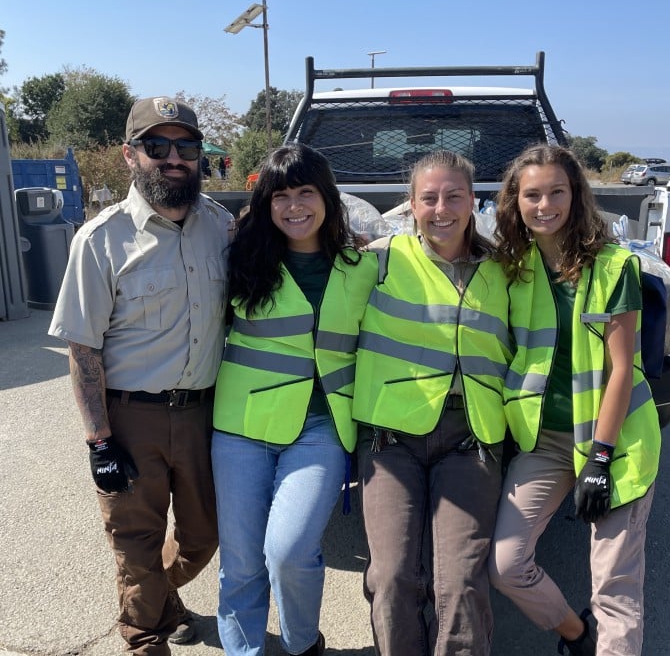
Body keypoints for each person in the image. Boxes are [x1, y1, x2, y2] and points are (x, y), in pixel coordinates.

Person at [49, 97, 234, 656]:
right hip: (131, 418)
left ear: (201, 156)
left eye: (187, 147)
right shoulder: (100, 240)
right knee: (136, 544)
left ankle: (156, 597)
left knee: (203, 537)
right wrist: (98, 441)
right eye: (158, 147)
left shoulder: (222, 227)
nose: (174, 158)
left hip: (205, 411)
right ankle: (143, 636)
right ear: (131, 155)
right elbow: (83, 352)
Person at [488, 144, 661, 656]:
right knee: (505, 565)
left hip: (616, 443)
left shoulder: (614, 267)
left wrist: (601, 460)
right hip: (546, 442)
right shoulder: (511, 266)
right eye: (532, 194)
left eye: (556, 192)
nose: (544, 205)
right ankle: (576, 635)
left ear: (576, 194)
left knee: (615, 590)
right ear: (514, 201)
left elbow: (622, 369)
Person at [211, 143, 378, 656]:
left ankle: (303, 644)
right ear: (266, 203)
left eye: (306, 192)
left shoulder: (364, 266)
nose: (294, 206)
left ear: (327, 197)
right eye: (280, 195)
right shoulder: (239, 258)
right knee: (240, 562)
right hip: (241, 428)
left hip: (322, 430)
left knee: (287, 551)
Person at [352, 149, 512, 656]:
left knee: (460, 583)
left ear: (473, 200)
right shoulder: (376, 258)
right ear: (411, 204)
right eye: (428, 198)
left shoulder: (508, 271)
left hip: (470, 440)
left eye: (454, 196)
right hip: (390, 441)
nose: (441, 209)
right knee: (393, 577)